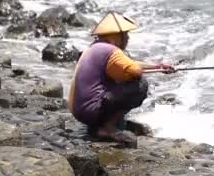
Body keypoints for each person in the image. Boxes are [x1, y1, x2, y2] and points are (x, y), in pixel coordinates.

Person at [68, 11, 175, 143]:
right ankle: (109, 127)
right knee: (140, 84)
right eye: (125, 35)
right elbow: (134, 70)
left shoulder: (94, 48)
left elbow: (129, 64)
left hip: (80, 111)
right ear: (115, 36)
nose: (128, 39)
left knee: (119, 82)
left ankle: (97, 129)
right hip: (91, 111)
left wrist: (158, 66)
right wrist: (142, 71)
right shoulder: (110, 51)